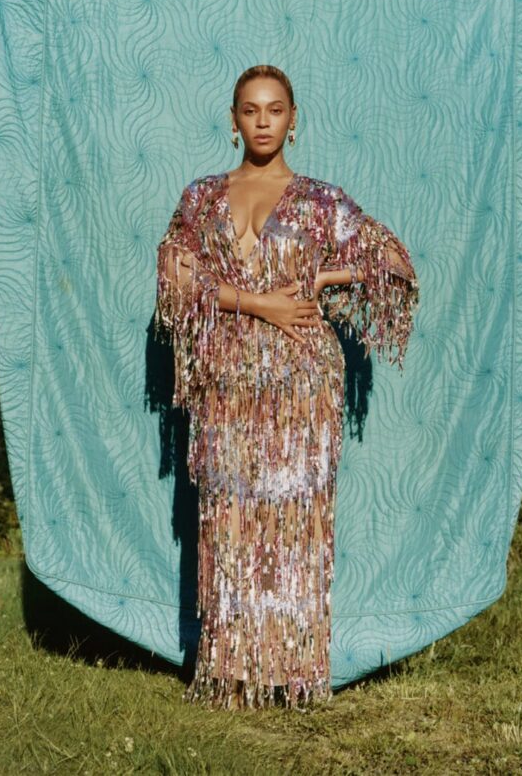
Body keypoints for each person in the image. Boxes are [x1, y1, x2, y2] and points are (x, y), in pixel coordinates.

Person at [155, 64, 420, 710]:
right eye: (251, 109)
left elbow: (395, 267)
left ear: (294, 120)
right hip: (226, 384)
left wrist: (323, 282)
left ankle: (291, 675)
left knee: (292, 525)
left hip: (302, 387)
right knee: (230, 521)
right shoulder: (201, 199)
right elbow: (175, 284)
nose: (264, 120)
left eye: (276, 109)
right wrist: (255, 302)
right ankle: (230, 671)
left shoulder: (324, 202)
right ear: (233, 119)